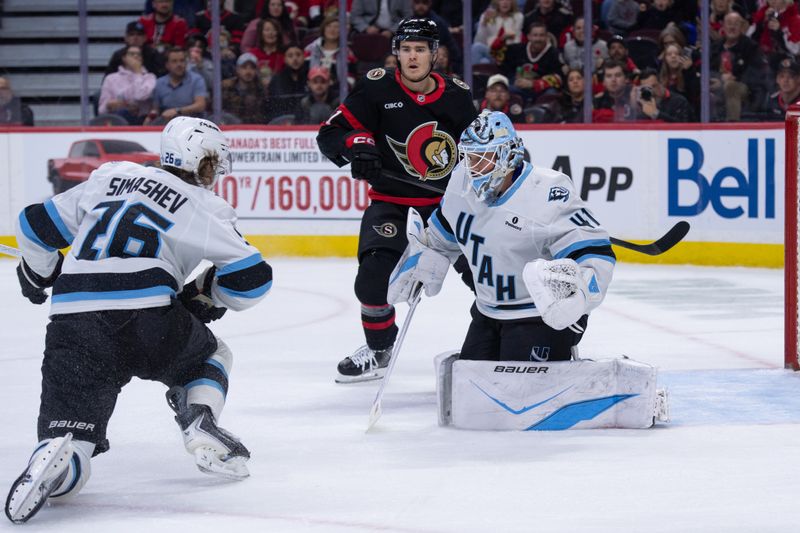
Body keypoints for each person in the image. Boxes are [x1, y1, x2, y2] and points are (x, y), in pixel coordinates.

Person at [4, 117, 273, 524]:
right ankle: (199, 417)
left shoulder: (113, 176)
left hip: (73, 320)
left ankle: (54, 459)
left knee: (71, 438)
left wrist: (39, 271)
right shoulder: (206, 206)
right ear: (202, 161)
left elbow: (34, 225)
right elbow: (252, 280)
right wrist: (205, 296)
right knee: (210, 355)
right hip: (147, 316)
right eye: (213, 161)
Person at [316, 18, 477, 383]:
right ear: (396, 54)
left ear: (435, 54)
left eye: (420, 49)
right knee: (371, 282)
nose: (413, 56)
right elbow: (331, 133)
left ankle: (498, 340)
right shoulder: (376, 89)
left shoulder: (456, 95)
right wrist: (357, 146)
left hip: (446, 208)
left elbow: (476, 147)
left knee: (486, 276)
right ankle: (378, 350)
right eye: (406, 49)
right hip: (392, 202)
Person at [387, 110, 614, 363]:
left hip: (539, 315)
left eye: (482, 158)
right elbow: (443, 235)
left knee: (521, 394)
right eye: (469, 157)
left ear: (508, 155)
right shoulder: (461, 182)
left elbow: (596, 256)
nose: (473, 167)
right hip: (488, 313)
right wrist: (422, 259)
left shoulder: (548, 192)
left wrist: (578, 299)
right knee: (470, 390)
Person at [146, 47, 209, 124]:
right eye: (174, 61)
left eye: (182, 61)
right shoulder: (159, 83)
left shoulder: (196, 80)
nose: (179, 64)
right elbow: (156, 109)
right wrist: (150, 117)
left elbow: (200, 105)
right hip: (168, 123)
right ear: (167, 65)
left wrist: (177, 111)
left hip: (194, 122)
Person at [98, 45, 157, 124]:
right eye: (131, 54)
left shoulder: (150, 78)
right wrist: (109, 105)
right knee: (122, 113)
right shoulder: (111, 78)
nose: (135, 56)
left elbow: (139, 96)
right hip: (117, 118)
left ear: (142, 59)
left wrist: (137, 72)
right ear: (124, 58)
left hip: (142, 120)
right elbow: (101, 110)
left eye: (138, 54)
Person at [222, 52, 267, 123]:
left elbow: (265, 114)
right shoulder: (226, 87)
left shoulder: (261, 89)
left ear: (256, 71)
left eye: (252, 68)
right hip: (231, 129)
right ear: (237, 69)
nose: (248, 71)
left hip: (255, 130)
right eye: (244, 67)